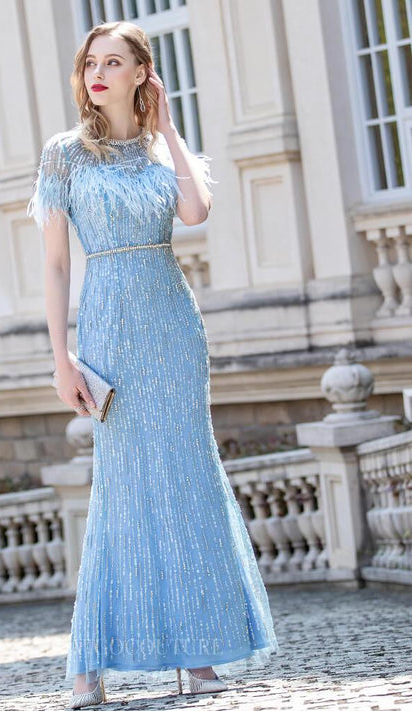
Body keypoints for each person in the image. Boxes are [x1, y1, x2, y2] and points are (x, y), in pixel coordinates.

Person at [27, 19, 279, 709]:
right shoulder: (64, 155)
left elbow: (195, 211)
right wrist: (60, 357)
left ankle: (198, 652)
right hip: (108, 330)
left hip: (172, 329)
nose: (97, 73)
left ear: (142, 73)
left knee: (187, 480)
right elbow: (55, 264)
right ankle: (90, 662)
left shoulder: (160, 149)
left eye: (113, 62)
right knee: (121, 487)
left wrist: (165, 127)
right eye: (90, 63)